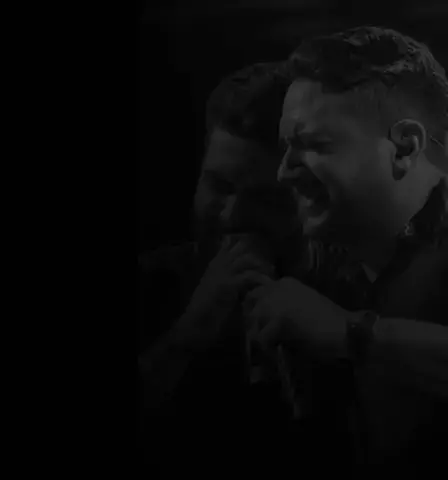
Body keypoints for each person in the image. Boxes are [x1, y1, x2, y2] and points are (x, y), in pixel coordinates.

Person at [244, 26, 448, 478]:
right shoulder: (331, 271)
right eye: (285, 149)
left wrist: (349, 334)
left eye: (314, 145)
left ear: (404, 147)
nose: (283, 173)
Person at [137, 62, 303, 477]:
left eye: (263, 199)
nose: (230, 217)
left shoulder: (344, 294)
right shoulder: (149, 283)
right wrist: (184, 337)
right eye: (218, 185)